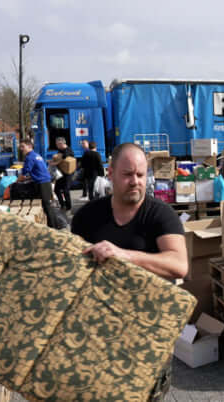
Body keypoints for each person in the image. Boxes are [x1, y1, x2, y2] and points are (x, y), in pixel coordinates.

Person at [71, 143, 187, 396]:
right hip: (99, 338)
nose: (135, 181)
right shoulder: (87, 217)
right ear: (110, 173)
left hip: (147, 338)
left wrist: (123, 255)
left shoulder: (161, 215)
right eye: (127, 174)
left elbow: (179, 265)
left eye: (140, 175)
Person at [17, 139, 57, 229]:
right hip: (45, 182)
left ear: (30, 146)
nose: (21, 149)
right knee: (45, 205)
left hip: (42, 183)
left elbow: (24, 174)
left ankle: (54, 228)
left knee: (47, 206)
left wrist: (15, 181)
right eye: (20, 147)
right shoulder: (36, 155)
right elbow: (37, 171)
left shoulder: (29, 157)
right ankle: (50, 226)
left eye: (23, 146)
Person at [49, 137, 74, 211]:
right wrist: (52, 161)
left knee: (66, 190)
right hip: (60, 173)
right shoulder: (60, 150)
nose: (57, 146)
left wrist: (55, 163)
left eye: (57, 144)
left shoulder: (68, 150)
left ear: (61, 143)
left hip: (68, 174)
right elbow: (58, 158)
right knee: (56, 189)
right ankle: (62, 204)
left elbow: (65, 158)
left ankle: (68, 206)